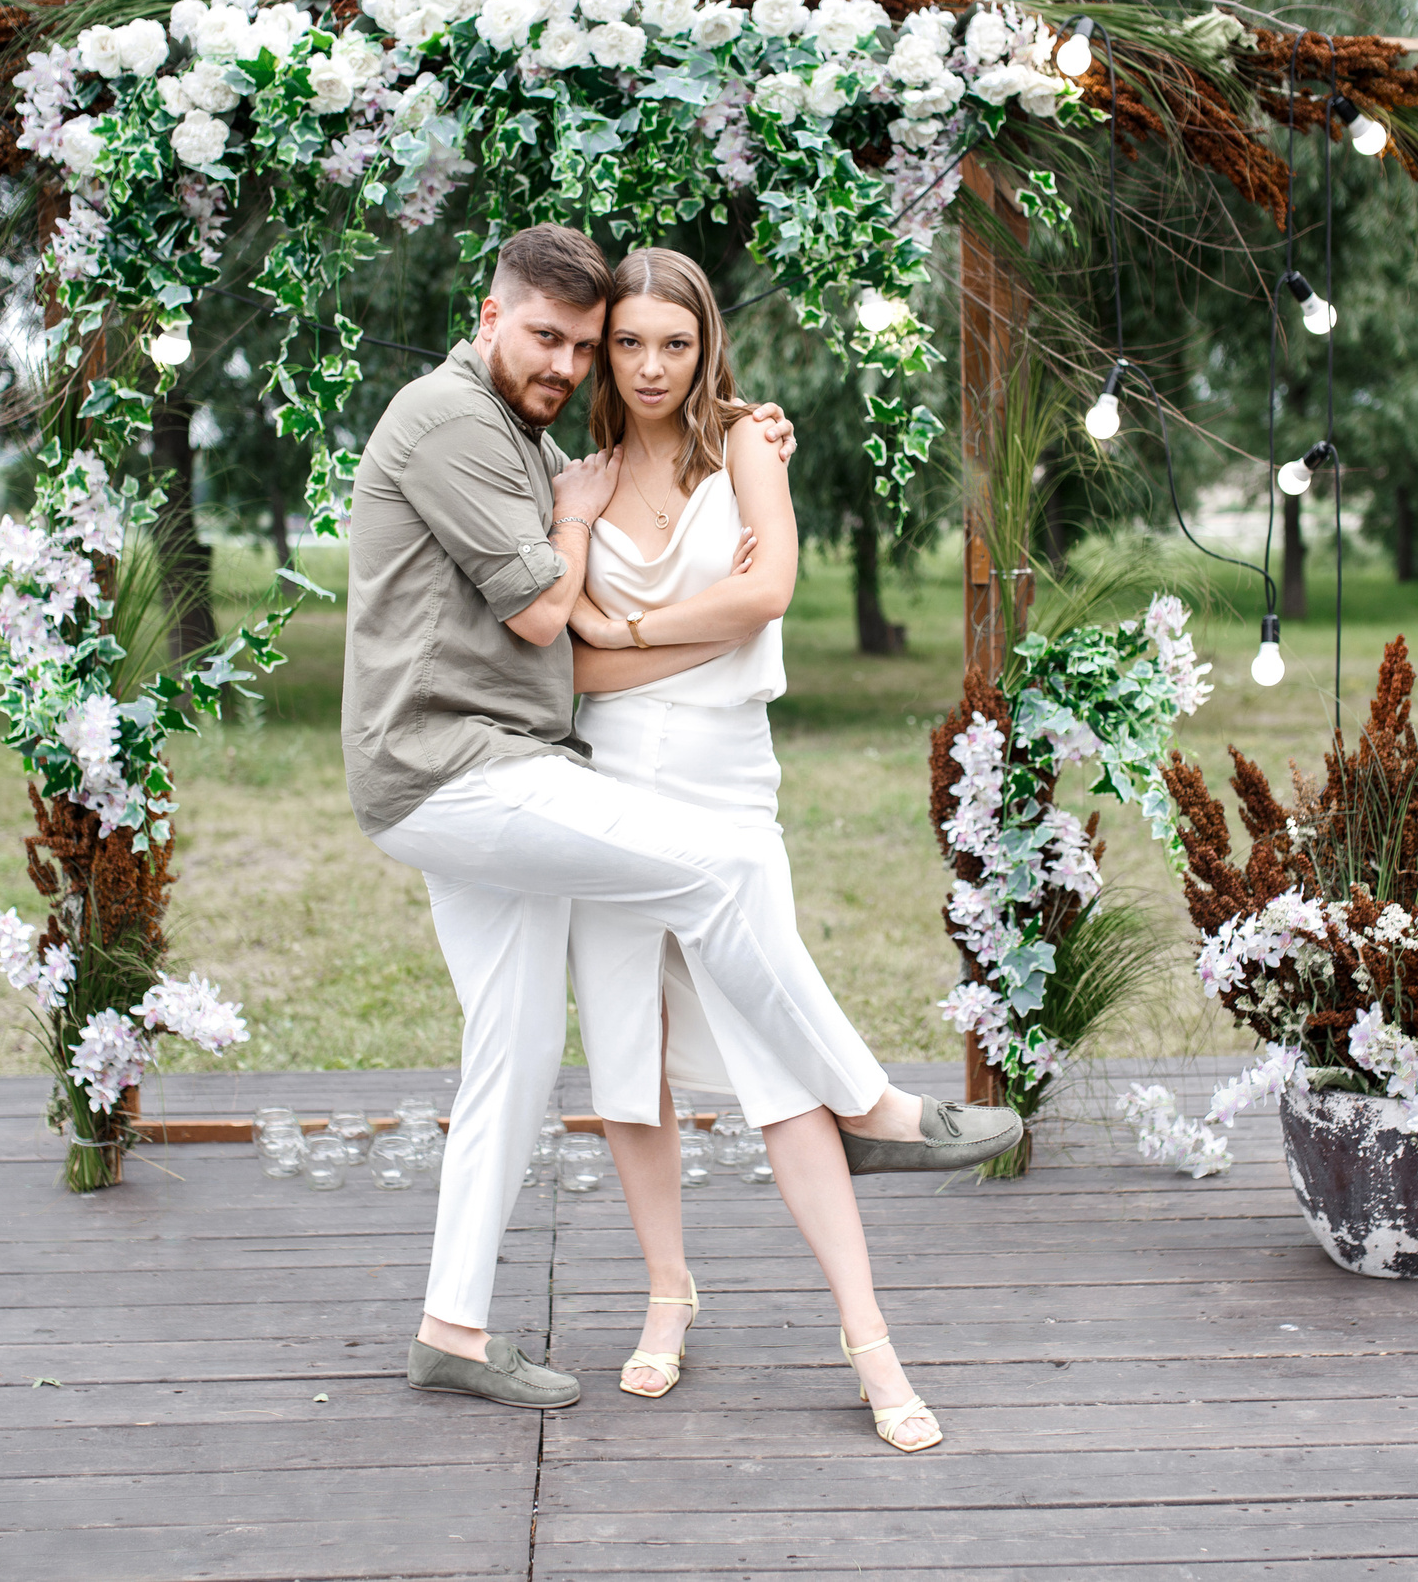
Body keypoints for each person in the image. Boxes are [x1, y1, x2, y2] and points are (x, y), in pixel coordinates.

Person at [341, 224, 1020, 1417]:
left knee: (512, 1046)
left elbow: (709, 600)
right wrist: (590, 534)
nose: (571, 363)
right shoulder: (455, 421)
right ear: (488, 316)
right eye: (553, 339)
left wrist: (646, 581)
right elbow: (547, 620)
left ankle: (451, 1328)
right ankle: (868, 1106)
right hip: (459, 770)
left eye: (585, 344)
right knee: (713, 877)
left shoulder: (533, 432)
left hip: (511, 762)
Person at [565, 247, 986, 1453]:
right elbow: (566, 661)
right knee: (626, 1058)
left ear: (707, 346)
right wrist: (638, 628)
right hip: (604, 788)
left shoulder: (748, 442)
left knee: (772, 1054)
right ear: (604, 350)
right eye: (629, 343)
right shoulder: (575, 478)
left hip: (723, 787)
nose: (652, 367)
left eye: (675, 343)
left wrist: (627, 627)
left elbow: (767, 597)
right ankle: (667, 1291)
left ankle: (868, 1337)